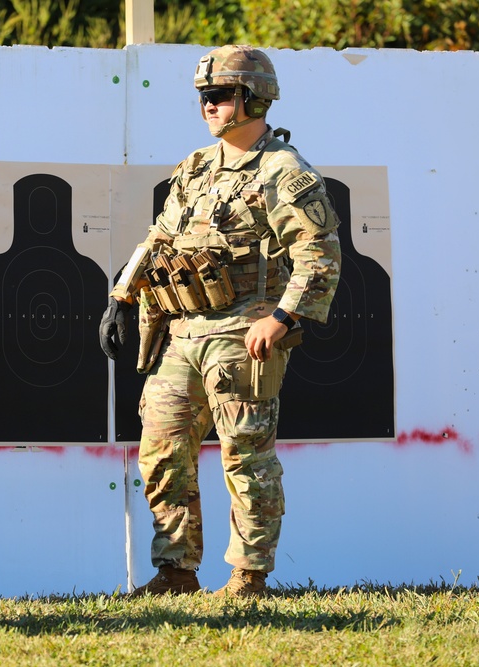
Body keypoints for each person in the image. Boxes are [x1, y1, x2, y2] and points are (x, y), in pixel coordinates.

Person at [99, 45, 342, 598]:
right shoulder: (196, 167)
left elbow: (320, 253)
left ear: (253, 98)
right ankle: (176, 572)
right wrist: (123, 294)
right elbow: (161, 238)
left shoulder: (285, 172)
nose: (207, 105)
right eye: (203, 96)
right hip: (182, 331)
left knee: (246, 454)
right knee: (162, 451)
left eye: (219, 95)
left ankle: (248, 578)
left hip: (243, 333)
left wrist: (281, 318)